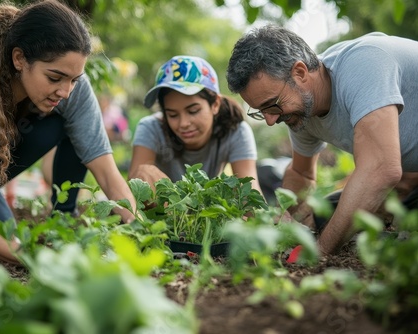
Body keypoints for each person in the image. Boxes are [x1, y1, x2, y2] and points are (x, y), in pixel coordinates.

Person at [0, 0, 136, 264]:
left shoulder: (69, 89)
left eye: (74, 80)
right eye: (54, 78)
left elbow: (107, 171)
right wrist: (34, 259)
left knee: (5, 231)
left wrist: (138, 228)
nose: (66, 91)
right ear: (19, 59)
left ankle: (62, 220)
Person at [226, 25, 418, 256]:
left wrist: (321, 252)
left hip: (403, 177)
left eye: (272, 105)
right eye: (260, 111)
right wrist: (288, 219)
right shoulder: (302, 108)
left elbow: (381, 170)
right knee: (321, 216)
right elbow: (301, 174)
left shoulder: (363, 65)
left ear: (300, 72)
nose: (269, 119)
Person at [128, 55, 264, 199]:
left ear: (215, 104)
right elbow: (133, 190)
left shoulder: (236, 131)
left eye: (193, 111)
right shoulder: (150, 128)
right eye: (172, 115)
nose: (183, 124)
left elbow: (249, 193)